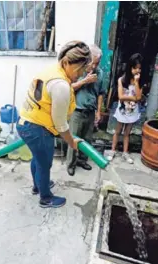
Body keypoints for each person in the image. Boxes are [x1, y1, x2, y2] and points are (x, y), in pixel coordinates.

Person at [17, 41, 92, 208]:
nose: (80, 74)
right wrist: (72, 142)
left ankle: (38, 186)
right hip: (38, 128)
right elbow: (61, 124)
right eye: (79, 70)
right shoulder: (61, 85)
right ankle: (45, 198)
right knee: (45, 164)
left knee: (38, 158)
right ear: (65, 62)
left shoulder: (53, 71)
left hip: (25, 122)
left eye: (83, 70)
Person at [66, 45, 105, 176]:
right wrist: (85, 81)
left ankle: (82, 161)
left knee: (87, 139)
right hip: (77, 111)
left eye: (97, 63)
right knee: (73, 139)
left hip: (90, 111)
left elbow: (100, 93)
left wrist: (98, 112)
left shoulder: (100, 73)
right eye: (92, 62)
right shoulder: (78, 70)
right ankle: (70, 164)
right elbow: (69, 88)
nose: (94, 66)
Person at [105, 54, 143, 164]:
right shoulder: (121, 80)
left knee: (127, 133)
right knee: (117, 131)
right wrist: (134, 98)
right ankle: (112, 150)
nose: (137, 70)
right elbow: (121, 97)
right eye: (135, 68)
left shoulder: (139, 81)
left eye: (139, 68)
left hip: (132, 112)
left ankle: (125, 152)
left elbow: (139, 97)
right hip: (122, 111)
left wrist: (136, 82)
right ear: (129, 67)